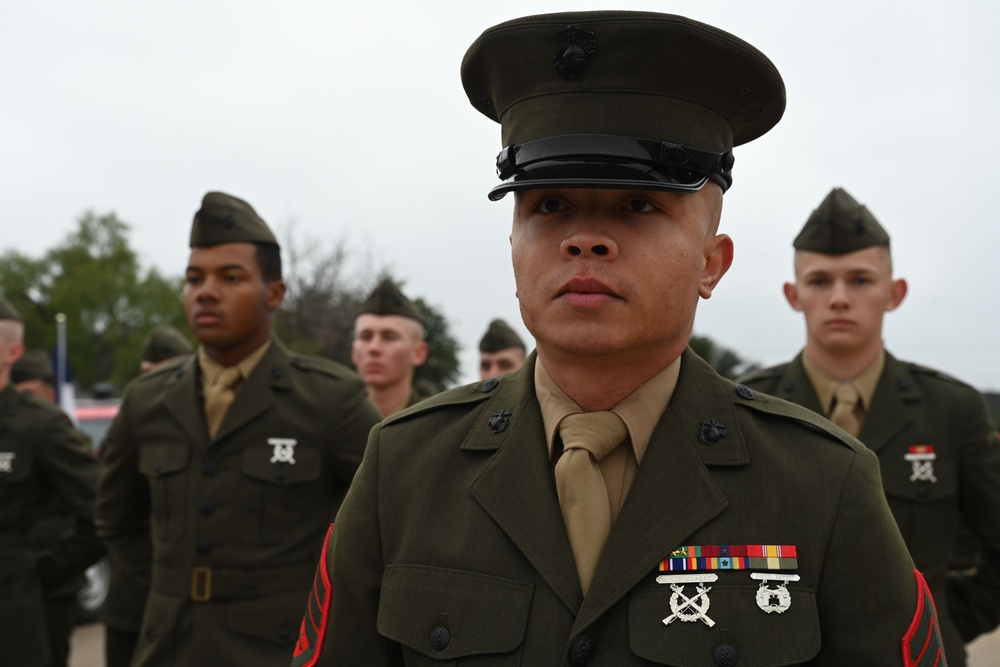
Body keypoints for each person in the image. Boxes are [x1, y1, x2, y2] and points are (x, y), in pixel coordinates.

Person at [292, 11, 944, 666]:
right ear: (512, 245)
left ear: (712, 263)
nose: (585, 238)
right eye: (548, 205)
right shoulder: (404, 468)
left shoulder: (822, 482)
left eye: (639, 205)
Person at [95, 192, 381, 667]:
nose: (205, 291)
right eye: (194, 278)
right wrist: (171, 580)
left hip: (282, 647)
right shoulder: (146, 400)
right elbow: (115, 518)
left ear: (274, 293)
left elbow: (387, 520)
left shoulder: (330, 400)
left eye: (230, 277)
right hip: (169, 646)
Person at [738, 186, 1000, 666]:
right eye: (819, 282)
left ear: (893, 293)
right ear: (793, 296)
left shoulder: (952, 410)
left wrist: (944, 622)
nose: (839, 299)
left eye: (860, 280)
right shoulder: (750, 406)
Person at [0, 295, 104, 667]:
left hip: (15, 618)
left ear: (13, 352)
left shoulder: (40, 425)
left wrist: (36, 575)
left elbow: (103, 515)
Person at [102, 323, 193, 667]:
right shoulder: (131, 422)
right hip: (132, 601)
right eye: (147, 375)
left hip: (192, 610)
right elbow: (110, 514)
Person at [351, 278, 430, 417]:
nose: (374, 348)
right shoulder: (326, 423)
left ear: (419, 353)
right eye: (366, 337)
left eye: (390, 337)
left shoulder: (436, 426)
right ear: (354, 351)